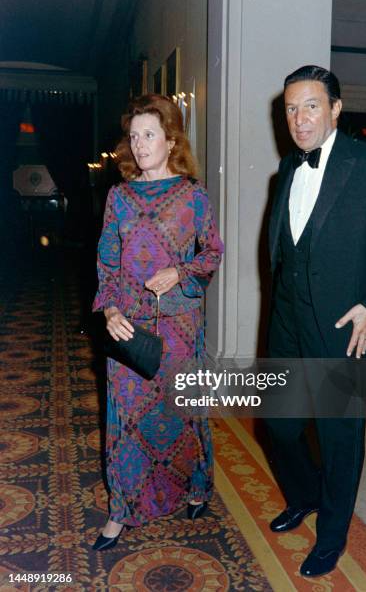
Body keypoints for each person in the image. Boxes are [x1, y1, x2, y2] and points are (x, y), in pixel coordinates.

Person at [266, 65, 366, 577]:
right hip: (287, 319)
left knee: (338, 436)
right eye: (290, 108)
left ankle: (331, 534)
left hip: (343, 327)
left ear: (335, 108)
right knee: (279, 427)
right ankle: (305, 495)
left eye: (311, 105)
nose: (299, 118)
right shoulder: (287, 168)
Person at [92, 94, 223, 550]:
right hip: (127, 326)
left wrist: (181, 272)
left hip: (179, 326)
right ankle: (121, 511)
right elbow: (107, 262)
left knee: (181, 411)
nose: (141, 144)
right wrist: (109, 309)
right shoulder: (119, 197)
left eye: (150, 135)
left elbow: (212, 253)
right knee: (126, 418)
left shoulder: (193, 195)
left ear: (170, 141)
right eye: (134, 136)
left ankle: (195, 486)